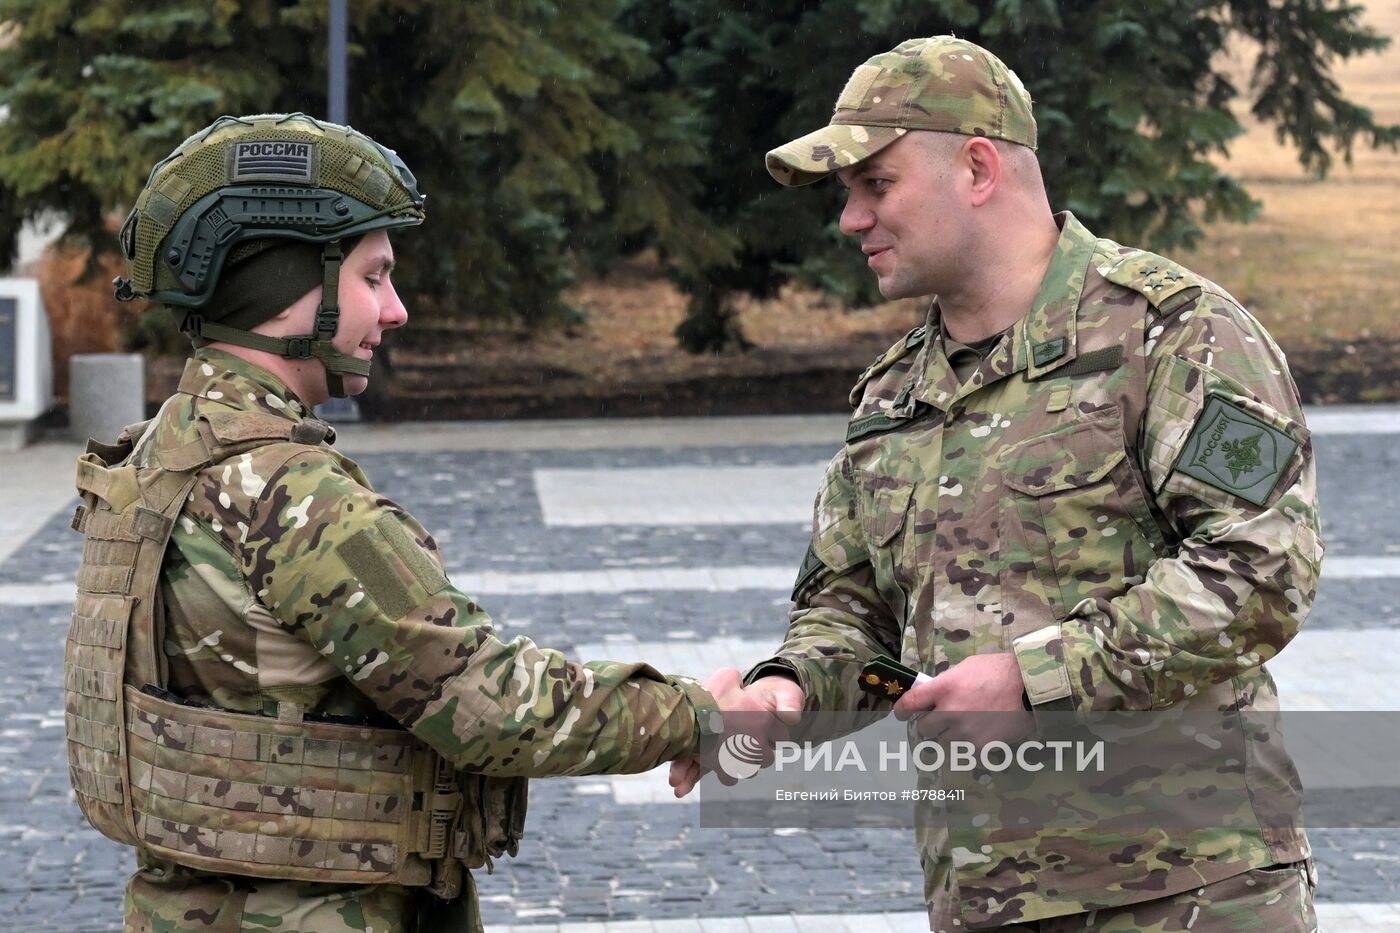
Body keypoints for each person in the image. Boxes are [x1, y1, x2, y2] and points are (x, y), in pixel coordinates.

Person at [672, 36, 1323, 931]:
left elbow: (1261, 571)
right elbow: (853, 612)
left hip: (1186, 892)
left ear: (977, 168)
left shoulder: (1178, 335)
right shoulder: (894, 394)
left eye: (876, 185)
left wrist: (1034, 680)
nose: (850, 220)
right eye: (846, 194)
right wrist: (787, 693)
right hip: (984, 896)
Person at [63, 112, 768, 933]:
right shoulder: (289, 496)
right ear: (287, 287)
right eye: (373, 277)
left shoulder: (156, 458)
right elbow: (493, 706)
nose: (395, 310)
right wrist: (699, 712)